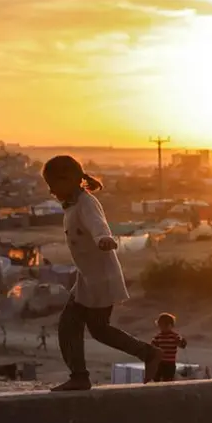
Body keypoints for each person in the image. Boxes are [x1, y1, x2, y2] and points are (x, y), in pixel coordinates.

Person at [42, 155, 162, 392]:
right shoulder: (74, 204)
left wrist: (103, 239)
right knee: (94, 329)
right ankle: (146, 354)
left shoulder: (86, 203)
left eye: (53, 184)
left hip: (100, 278)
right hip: (88, 278)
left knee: (78, 327)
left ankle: (81, 376)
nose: (51, 191)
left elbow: (98, 224)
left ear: (70, 180)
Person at [151, 313, 187, 382]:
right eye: (160, 326)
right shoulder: (157, 337)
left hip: (170, 364)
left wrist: (182, 342)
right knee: (156, 380)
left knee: (168, 381)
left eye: (164, 326)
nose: (162, 328)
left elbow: (182, 345)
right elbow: (152, 348)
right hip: (159, 363)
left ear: (170, 325)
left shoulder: (175, 337)